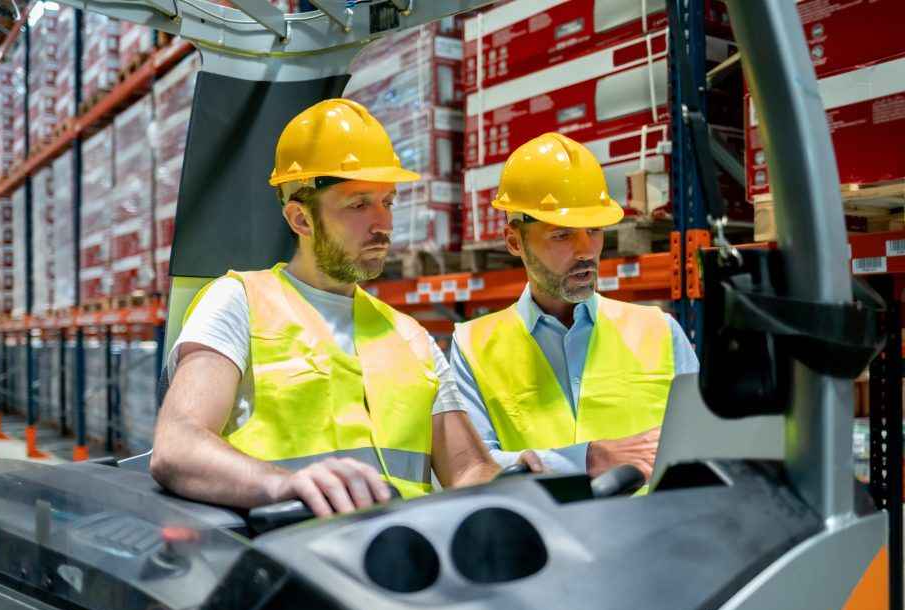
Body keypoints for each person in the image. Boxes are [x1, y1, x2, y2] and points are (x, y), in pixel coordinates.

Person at [151, 98, 540, 517]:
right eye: (358, 204)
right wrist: (282, 485)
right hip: (288, 557)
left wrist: (514, 478)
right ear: (301, 220)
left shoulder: (410, 336)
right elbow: (178, 444)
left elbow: (467, 470)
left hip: (403, 563)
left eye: (387, 202)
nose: (383, 224)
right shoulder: (238, 302)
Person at [451, 133, 699, 481]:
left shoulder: (659, 331)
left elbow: (701, 446)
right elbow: (474, 468)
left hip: (649, 529)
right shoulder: (472, 345)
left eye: (594, 231)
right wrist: (584, 460)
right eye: (562, 235)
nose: (585, 251)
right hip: (541, 533)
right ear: (514, 241)